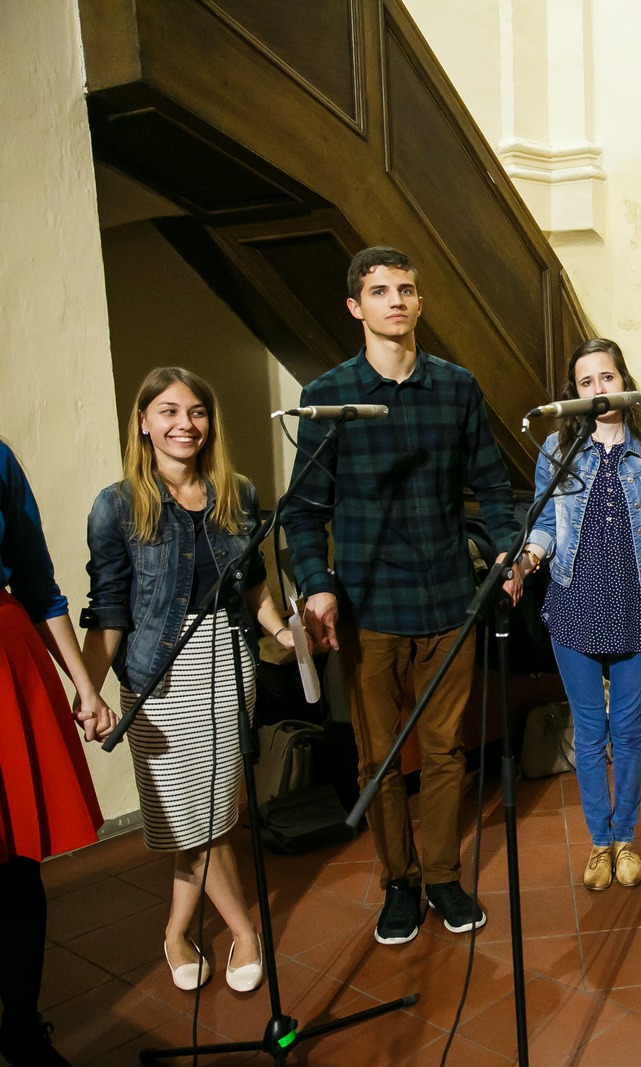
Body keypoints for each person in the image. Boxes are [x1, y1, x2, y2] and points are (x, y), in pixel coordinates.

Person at [283, 246, 522, 945]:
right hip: (368, 606)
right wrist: (317, 586)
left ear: (420, 302)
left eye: (407, 290)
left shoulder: (456, 387)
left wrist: (506, 550)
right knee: (379, 758)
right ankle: (399, 881)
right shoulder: (330, 395)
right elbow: (303, 511)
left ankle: (442, 874)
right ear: (355, 307)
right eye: (380, 291)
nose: (396, 300)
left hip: (448, 598)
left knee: (446, 752)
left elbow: (492, 485)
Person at [82, 368, 294, 994]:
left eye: (197, 412)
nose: (185, 424)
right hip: (157, 678)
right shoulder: (117, 505)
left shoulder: (237, 493)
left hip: (228, 664)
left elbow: (254, 586)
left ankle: (176, 932)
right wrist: (88, 690)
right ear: (144, 422)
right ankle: (245, 931)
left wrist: (283, 633)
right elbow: (109, 610)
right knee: (187, 818)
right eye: (169, 411)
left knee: (214, 813)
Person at [523, 339, 641, 891]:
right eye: (586, 382)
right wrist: (529, 555)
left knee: (626, 729)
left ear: (624, 381)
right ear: (575, 393)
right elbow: (545, 524)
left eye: (607, 377)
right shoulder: (556, 451)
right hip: (573, 603)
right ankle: (598, 843)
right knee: (589, 730)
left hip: (633, 603)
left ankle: (625, 839)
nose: (598, 389)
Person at [0, 443, 110, 1066]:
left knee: (15, 865)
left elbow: (37, 584)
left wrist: (85, 684)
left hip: (3, 662)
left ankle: (20, 1029)